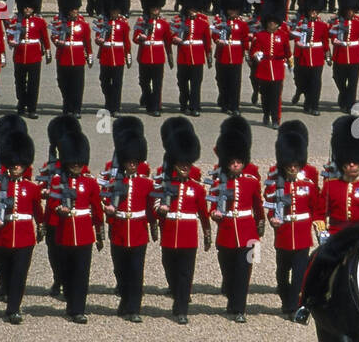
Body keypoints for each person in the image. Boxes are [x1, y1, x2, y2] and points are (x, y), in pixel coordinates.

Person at [155, 122, 211, 325]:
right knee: (169, 266)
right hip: (169, 233)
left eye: (187, 165)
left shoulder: (196, 189)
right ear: (175, 165)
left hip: (188, 236)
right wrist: (159, 210)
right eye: (181, 164)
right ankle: (175, 290)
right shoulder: (165, 185)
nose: (185, 168)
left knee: (186, 273)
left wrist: (207, 233)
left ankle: (181, 309)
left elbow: (203, 213)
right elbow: (153, 204)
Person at [266, 123, 323, 319]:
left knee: (299, 274)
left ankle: (292, 306)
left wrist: (319, 225)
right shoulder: (276, 184)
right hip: (283, 234)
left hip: (301, 235)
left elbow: (316, 207)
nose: (292, 167)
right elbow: (271, 205)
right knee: (282, 273)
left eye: (295, 164)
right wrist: (272, 219)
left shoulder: (307, 184)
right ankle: (285, 297)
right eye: (289, 164)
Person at [0, 129, 42, 324]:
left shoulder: (32, 188)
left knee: (20, 272)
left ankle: (14, 309)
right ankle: (7, 292)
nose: (17, 167)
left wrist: (42, 225)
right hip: (4, 233)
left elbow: (37, 210)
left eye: (20, 164)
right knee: (5, 270)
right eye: (14, 164)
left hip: (25, 236)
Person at [46, 129, 103, 323]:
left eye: (79, 162)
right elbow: (52, 204)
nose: (77, 165)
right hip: (64, 233)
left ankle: (78, 309)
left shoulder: (90, 183)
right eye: (73, 161)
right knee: (67, 271)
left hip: (84, 233)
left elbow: (96, 209)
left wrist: (100, 231)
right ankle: (71, 303)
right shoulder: (57, 181)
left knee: (82, 273)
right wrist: (58, 210)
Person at [208, 124, 263, 323]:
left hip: (248, 234)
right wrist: (214, 214)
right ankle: (232, 300)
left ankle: (240, 309)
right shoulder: (218, 182)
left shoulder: (251, 181)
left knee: (244, 272)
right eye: (232, 162)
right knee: (228, 271)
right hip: (227, 232)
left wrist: (260, 227)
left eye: (239, 162)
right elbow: (212, 204)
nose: (236, 165)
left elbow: (258, 206)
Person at [102, 123, 156, 322]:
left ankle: (134, 308)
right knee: (120, 270)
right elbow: (106, 202)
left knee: (136, 271)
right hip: (119, 230)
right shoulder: (114, 183)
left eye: (135, 161)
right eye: (129, 161)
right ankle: (125, 301)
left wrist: (154, 225)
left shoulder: (146, 183)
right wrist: (108, 212)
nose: (132, 164)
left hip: (138, 230)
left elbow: (151, 208)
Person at [249, 0, 290, 128]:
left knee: (276, 96)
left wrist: (289, 63)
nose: (272, 24)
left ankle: (276, 119)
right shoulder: (260, 36)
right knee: (265, 96)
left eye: (275, 22)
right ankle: (266, 114)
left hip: (277, 69)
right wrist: (256, 55)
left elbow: (287, 52)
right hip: (264, 69)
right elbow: (253, 51)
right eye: (270, 22)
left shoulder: (283, 36)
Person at [10, 0, 50, 118]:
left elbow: (44, 38)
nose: (27, 9)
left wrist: (48, 51)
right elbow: (10, 35)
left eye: (30, 7)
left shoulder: (39, 21)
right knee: (20, 82)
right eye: (25, 7)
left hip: (34, 55)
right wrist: (12, 40)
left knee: (33, 83)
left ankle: (32, 107)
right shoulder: (16, 20)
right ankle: (21, 104)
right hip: (20, 55)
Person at [53, 0, 92, 116]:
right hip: (63, 57)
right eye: (72, 9)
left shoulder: (83, 24)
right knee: (63, 83)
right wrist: (58, 42)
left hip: (78, 58)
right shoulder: (59, 23)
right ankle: (67, 105)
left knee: (77, 85)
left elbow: (87, 41)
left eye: (76, 9)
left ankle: (76, 109)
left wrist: (89, 55)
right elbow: (54, 36)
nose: (75, 11)